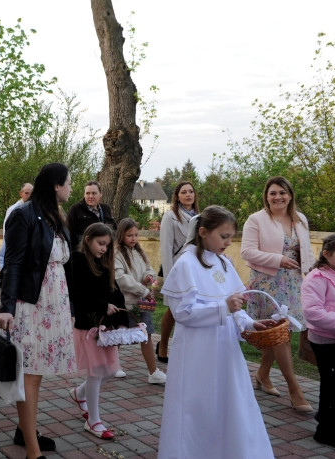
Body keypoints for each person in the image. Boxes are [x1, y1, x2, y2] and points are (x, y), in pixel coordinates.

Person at [158, 205, 276, 459]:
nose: (228, 242)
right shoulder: (186, 264)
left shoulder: (223, 263)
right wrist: (222, 308)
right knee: (198, 403)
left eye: (231, 237)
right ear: (203, 232)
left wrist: (249, 323)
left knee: (230, 400)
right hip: (197, 351)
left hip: (225, 350)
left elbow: (235, 305)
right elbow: (183, 312)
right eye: (224, 236)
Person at [0, 162, 76, 459]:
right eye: (69, 183)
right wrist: (6, 308)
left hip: (53, 303)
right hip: (30, 304)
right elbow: (13, 263)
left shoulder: (56, 215)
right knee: (28, 374)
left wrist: (71, 306)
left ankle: (24, 431)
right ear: (56, 185)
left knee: (36, 373)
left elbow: (65, 265)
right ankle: (32, 451)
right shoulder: (23, 214)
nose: (71, 188)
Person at [240, 176, 314, 412]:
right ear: (266, 196)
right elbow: (247, 252)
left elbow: (306, 251)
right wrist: (278, 259)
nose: (278, 197)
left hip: (293, 283)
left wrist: (312, 273)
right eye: (272, 193)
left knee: (281, 334)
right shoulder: (256, 219)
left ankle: (262, 375)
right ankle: (295, 389)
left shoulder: (300, 219)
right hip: (267, 284)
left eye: (282, 192)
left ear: (290, 195)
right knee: (279, 334)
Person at [68, 223, 119, 440]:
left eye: (107, 245)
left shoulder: (104, 262)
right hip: (88, 324)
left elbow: (112, 290)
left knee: (110, 370)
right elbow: (78, 293)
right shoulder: (77, 260)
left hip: (104, 326)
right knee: (96, 372)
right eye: (100, 243)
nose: (104, 249)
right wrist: (102, 305)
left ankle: (79, 392)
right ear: (88, 239)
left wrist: (120, 315)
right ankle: (93, 420)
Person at [114, 218, 166, 385]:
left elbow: (149, 268)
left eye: (136, 235)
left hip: (141, 302)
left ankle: (153, 371)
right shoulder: (116, 254)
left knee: (146, 335)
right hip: (126, 303)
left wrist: (148, 275)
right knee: (119, 335)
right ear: (121, 235)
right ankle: (113, 365)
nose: (134, 238)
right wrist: (143, 290)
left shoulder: (139, 252)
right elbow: (121, 279)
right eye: (129, 235)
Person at [157, 181, 199, 363]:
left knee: (192, 307)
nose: (188, 195)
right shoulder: (170, 217)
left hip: (196, 268)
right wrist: (168, 278)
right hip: (178, 268)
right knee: (174, 308)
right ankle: (163, 344)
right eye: (184, 192)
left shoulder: (200, 217)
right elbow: (166, 248)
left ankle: (187, 347)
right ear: (177, 196)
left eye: (191, 191)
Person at [301, 234, 335, 449]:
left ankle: (324, 416)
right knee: (332, 383)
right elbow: (313, 312)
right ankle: (325, 432)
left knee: (331, 383)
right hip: (325, 341)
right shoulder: (317, 278)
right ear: (326, 254)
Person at [66, 180, 117, 251]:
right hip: (84, 253)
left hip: (105, 251)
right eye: (87, 193)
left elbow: (114, 230)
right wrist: (77, 254)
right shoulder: (75, 209)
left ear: (100, 194)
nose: (90, 196)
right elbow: (69, 235)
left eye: (94, 193)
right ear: (84, 195)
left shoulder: (106, 209)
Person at [0, 182, 33, 269]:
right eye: (26, 193)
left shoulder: (33, 208)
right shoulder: (14, 210)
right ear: (21, 194)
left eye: (32, 193)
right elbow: (7, 232)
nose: (29, 196)